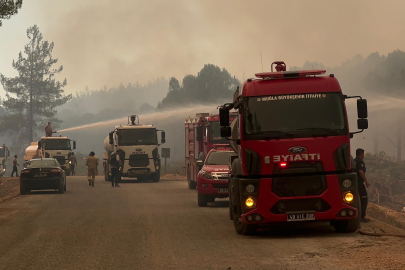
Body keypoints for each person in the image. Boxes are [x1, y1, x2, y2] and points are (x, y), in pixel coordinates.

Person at [355, 148, 371, 223]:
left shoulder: (353, 161)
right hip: (359, 184)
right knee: (364, 199)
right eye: (363, 154)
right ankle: (362, 217)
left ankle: (357, 216)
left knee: (357, 200)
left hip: (354, 184)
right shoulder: (360, 161)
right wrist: (366, 182)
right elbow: (361, 171)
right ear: (361, 154)